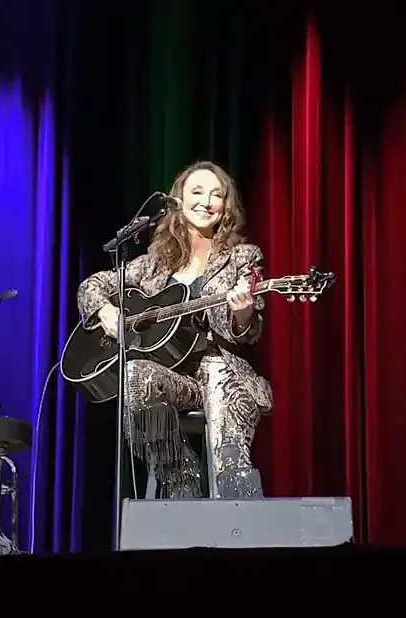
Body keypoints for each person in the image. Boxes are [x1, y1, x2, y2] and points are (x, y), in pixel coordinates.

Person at [76, 160, 272, 500]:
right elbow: (92, 285)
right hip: (172, 376)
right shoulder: (156, 262)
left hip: (218, 371)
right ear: (178, 201)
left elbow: (248, 331)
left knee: (218, 369)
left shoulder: (242, 257)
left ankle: (235, 497)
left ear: (226, 207)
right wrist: (105, 310)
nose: (207, 201)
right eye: (197, 192)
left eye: (217, 195)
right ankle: (180, 478)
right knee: (134, 373)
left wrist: (242, 313)